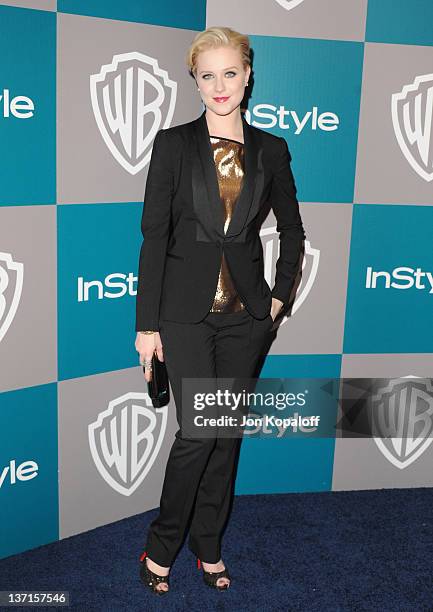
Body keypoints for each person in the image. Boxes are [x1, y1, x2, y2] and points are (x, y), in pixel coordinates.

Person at [135, 26, 305, 595]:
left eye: (229, 73)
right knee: (197, 433)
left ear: (248, 75)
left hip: (246, 318)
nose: (219, 86)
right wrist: (146, 326)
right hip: (183, 314)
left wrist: (278, 299)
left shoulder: (272, 149)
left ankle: (208, 545)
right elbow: (154, 236)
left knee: (224, 433)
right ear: (195, 80)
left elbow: (293, 230)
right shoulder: (173, 145)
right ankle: (162, 544)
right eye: (207, 75)